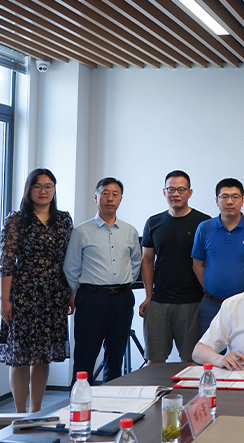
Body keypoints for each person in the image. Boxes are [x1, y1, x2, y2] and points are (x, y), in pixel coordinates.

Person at [0, 169, 74, 412]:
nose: (43, 191)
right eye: (38, 186)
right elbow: (6, 262)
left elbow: (70, 260)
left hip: (54, 294)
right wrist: (4, 299)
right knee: (20, 357)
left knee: (43, 356)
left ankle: (36, 412)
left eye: (48, 186)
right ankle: (20, 414)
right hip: (22, 295)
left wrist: (71, 293)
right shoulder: (15, 220)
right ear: (28, 189)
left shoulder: (64, 219)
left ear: (54, 189)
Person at [64, 177, 142, 384]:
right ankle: (80, 400)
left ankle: (111, 398)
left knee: (116, 356)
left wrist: (125, 282)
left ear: (121, 199)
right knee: (85, 355)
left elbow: (136, 261)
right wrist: (84, 291)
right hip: (91, 299)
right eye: (105, 193)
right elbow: (71, 267)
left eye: (115, 194)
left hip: (122, 299)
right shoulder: (81, 231)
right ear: (96, 197)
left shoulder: (130, 231)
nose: (110, 198)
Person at [140, 170, 210, 364]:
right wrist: (148, 295)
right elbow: (147, 260)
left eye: (181, 189)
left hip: (193, 302)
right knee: (154, 360)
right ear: (164, 192)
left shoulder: (204, 223)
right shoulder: (153, 222)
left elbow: (208, 260)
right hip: (159, 301)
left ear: (190, 192)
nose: (176, 194)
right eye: (171, 189)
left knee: (190, 361)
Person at [192, 178, 244, 335]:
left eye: (235, 197)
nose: (230, 201)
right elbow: (197, 264)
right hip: (211, 305)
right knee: (210, 348)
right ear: (216, 201)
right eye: (224, 197)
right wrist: (209, 287)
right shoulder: (204, 228)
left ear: (242, 200)